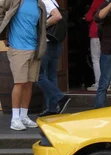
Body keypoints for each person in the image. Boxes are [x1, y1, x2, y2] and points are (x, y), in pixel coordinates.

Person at [0, 0, 47, 130]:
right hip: (18, 48)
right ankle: (15, 119)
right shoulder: (15, 0)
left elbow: (41, 26)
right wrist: (3, 33)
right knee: (20, 82)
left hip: (34, 48)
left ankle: (24, 116)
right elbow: (1, 10)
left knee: (29, 83)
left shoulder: (40, 5)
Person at [37, 0, 70, 117]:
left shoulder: (45, 1)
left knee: (37, 75)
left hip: (47, 43)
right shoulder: (53, 1)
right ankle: (52, 108)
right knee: (51, 75)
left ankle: (59, 97)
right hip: (55, 43)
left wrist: (41, 27)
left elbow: (57, 16)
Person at [85, 0, 106, 91]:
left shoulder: (97, 1)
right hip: (108, 34)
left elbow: (89, 17)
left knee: (96, 59)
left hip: (96, 32)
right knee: (107, 58)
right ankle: (108, 83)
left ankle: (99, 83)